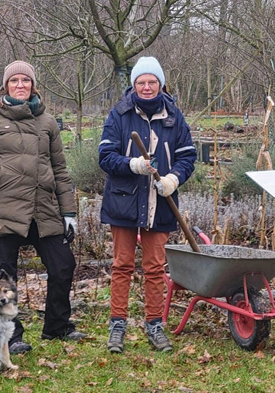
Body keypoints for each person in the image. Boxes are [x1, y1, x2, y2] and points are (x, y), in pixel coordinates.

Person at [0, 60, 85, 354]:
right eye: (15, 81)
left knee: (63, 264)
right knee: (4, 275)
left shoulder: (47, 123)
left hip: (41, 209)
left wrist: (68, 212)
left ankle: (57, 325)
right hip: (1, 208)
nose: (20, 85)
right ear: (5, 86)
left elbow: (60, 169)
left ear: (33, 86)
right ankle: (11, 334)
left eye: (25, 81)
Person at [98, 56, 197, 354]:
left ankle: (154, 324)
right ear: (134, 85)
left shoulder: (174, 117)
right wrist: (133, 165)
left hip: (161, 202)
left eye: (152, 81)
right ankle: (118, 325)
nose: (146, 87)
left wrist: (173, 179)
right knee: (122, 265)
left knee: (154, 268)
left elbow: (188, 156)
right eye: (141, 82)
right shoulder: (119, 114)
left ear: (161, 84)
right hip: (124, 201)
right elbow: (105, 157)